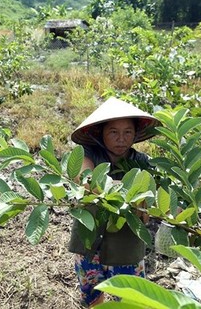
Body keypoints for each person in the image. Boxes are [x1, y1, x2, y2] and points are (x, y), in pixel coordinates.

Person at [68, 97, 159, 307]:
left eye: (127, 132)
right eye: (113, 132)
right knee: (91, 294)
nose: (121, 139)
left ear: (135, 134)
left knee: (131, 299)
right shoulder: (88, 154)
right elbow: (85, 180)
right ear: (101, 133)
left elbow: (155, 195)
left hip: (126, 247)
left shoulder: (143, 163)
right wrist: (132, 190)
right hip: (89, 243)